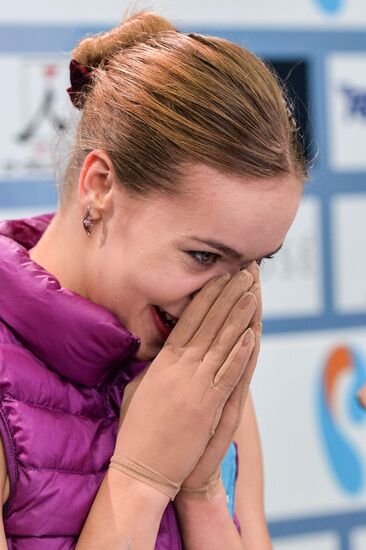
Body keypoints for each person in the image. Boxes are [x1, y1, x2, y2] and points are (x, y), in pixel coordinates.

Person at [0, 10, 307, 550]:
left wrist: (202, 490)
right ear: (99, 186)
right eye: (204, 256)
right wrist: (142, 478)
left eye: (256, 264)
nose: (225, 300)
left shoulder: (203, 363)